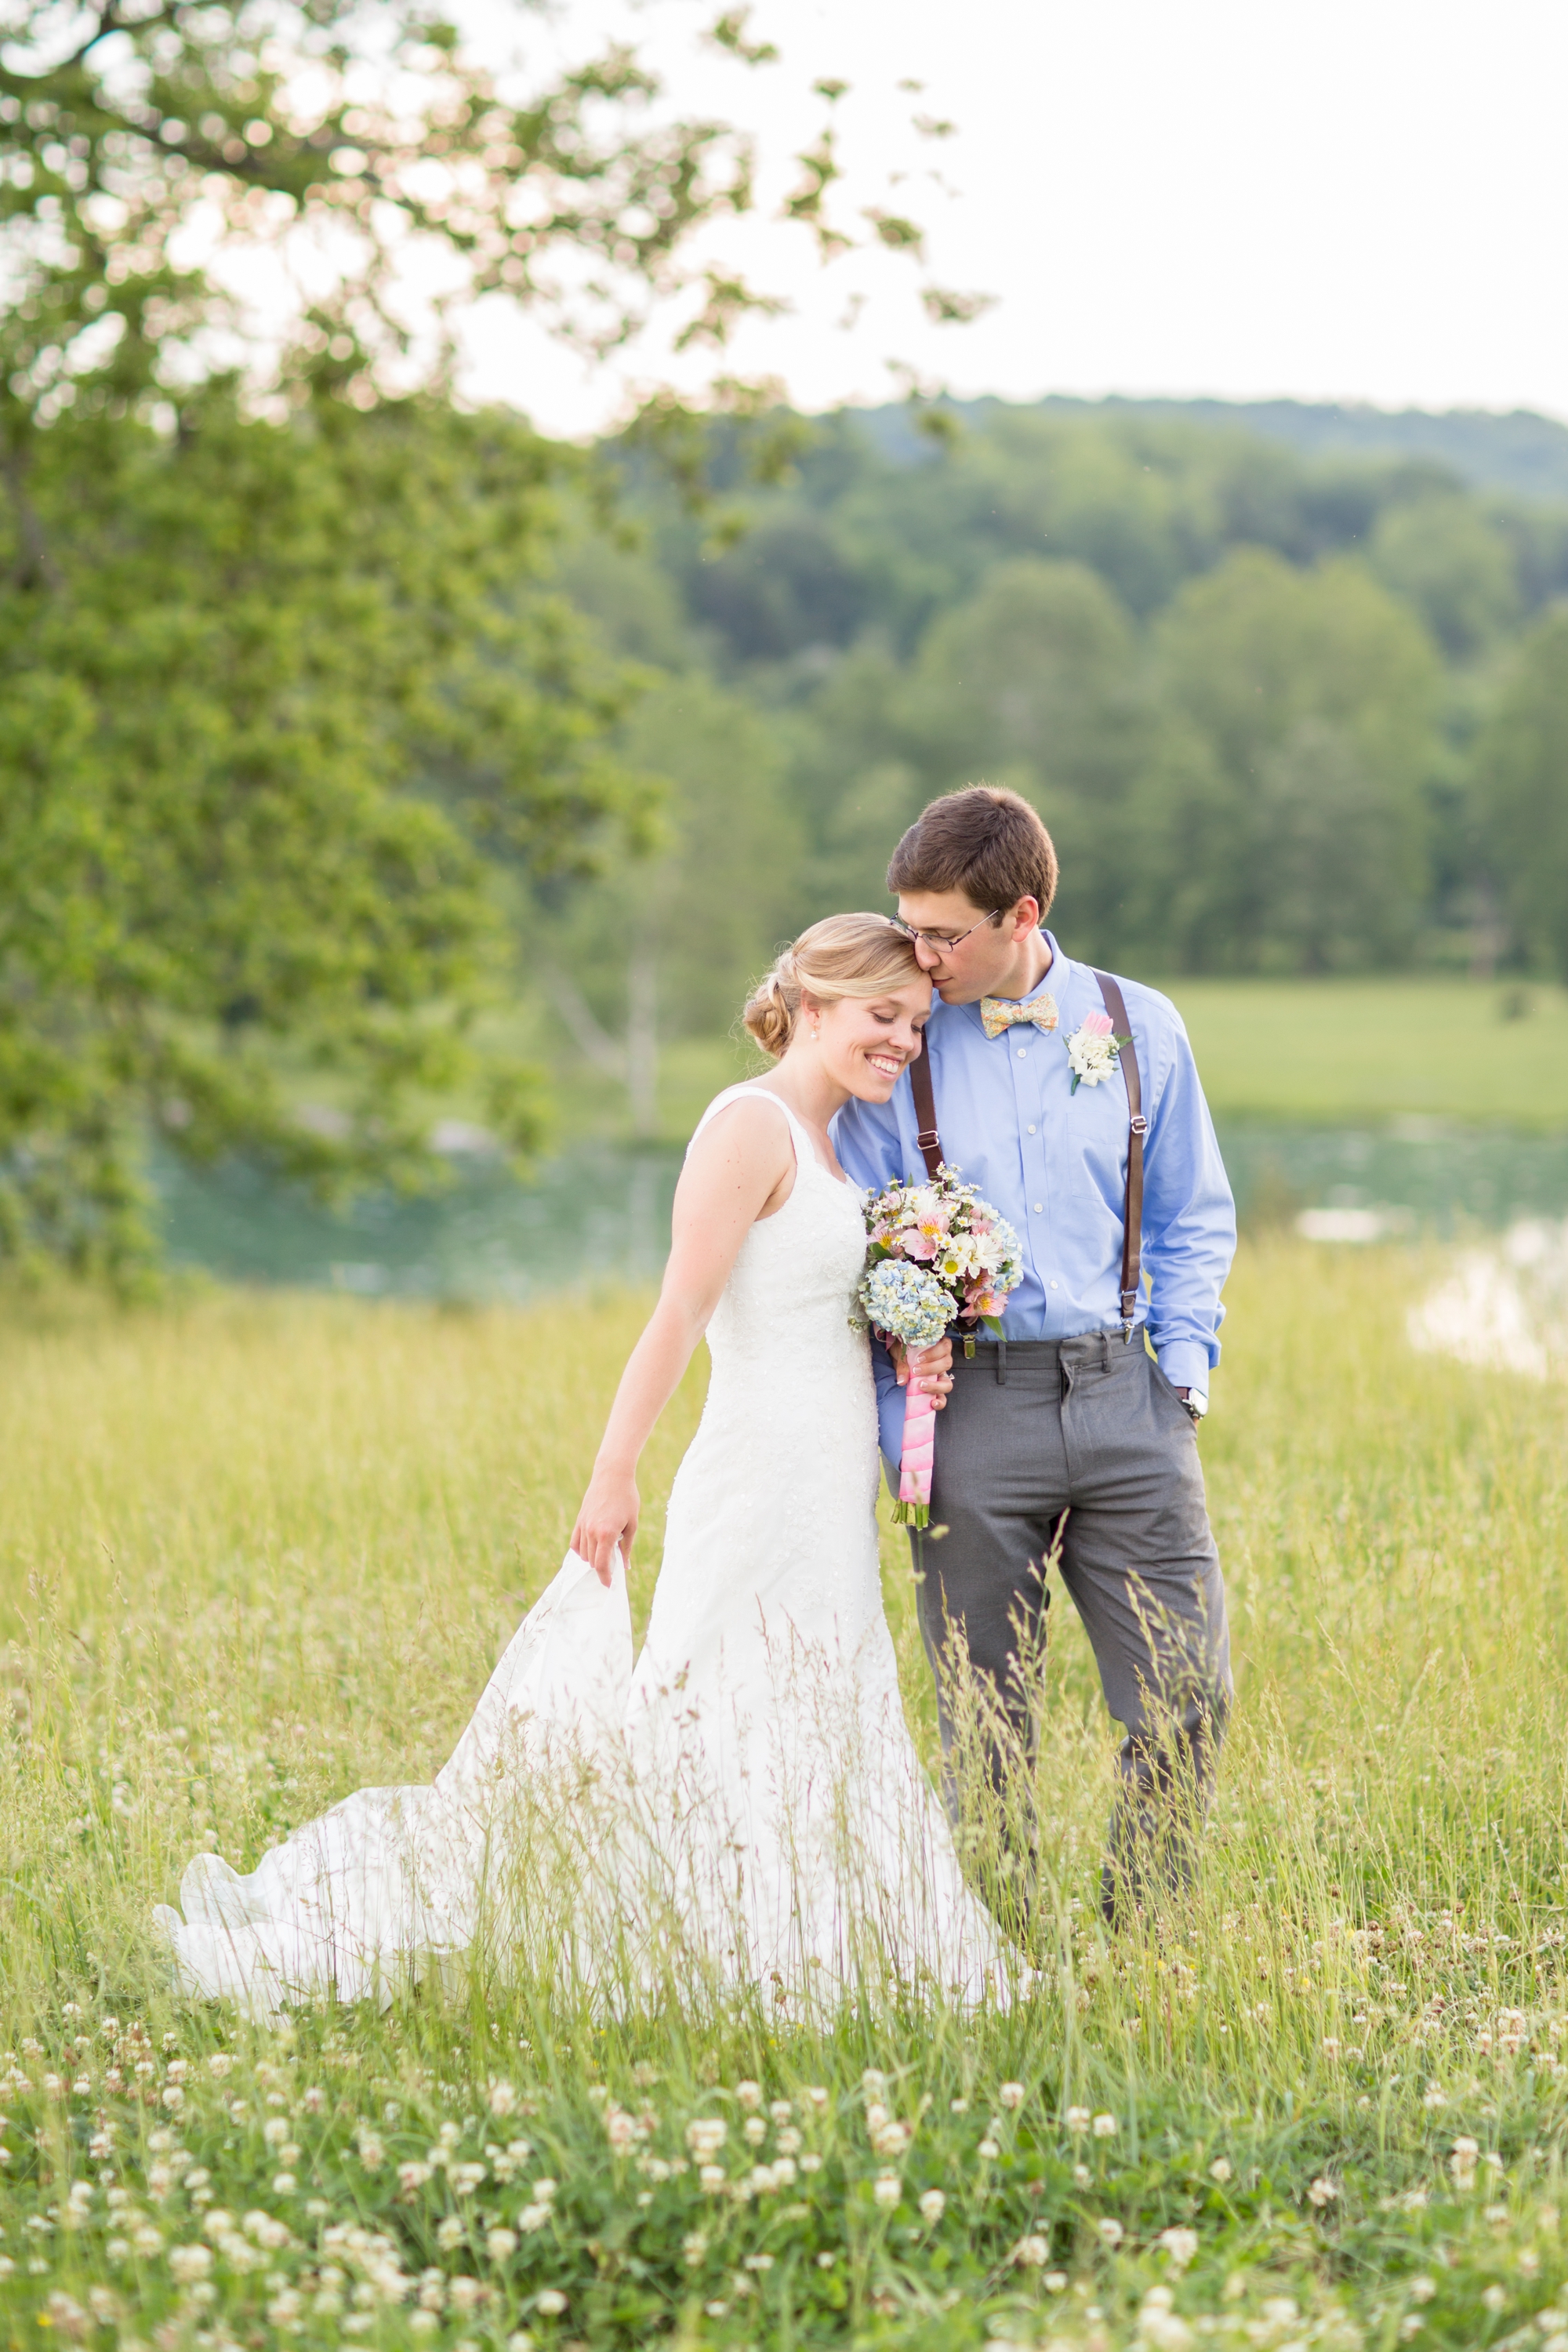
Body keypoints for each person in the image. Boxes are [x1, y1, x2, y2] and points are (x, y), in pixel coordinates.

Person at [156, 915, 1013, 2015]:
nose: (902, 1041)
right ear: (811, 1005)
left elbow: (813, 1313)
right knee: (712, 1700)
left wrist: (917, 1337)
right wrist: (613, 1472)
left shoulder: (839, 1145)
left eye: (916, 1024)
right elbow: (678, 1313)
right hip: (754, 1477)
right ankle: (698, 1934)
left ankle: (812, 1933)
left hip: (826, 1485)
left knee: (820, 1702)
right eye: (881, 1017)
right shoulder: (749, 1127)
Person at [833, 787, 1236, 1921]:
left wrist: (1183, 1373)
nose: (919, 954)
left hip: (1128, 1398)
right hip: (969, 1413)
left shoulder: (1139, 1022)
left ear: (1022, 912)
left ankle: (1138, 1930)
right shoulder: (896, 1038)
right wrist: (894, 1405)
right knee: (984, 1718)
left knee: (1188, 1696)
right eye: (907, 925)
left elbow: (1193, 1214)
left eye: (942, 934)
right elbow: (855, 1236)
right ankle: (998, 1955)